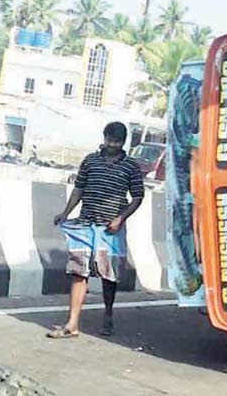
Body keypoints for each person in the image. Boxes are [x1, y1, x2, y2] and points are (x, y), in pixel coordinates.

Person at [47, 122, 145, 338]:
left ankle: (108, 314)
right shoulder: (90, 161)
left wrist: (121, 218)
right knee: (78, 272)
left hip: (111, 228)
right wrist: (65, 213)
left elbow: (137, 197)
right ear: (104, 138)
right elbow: (78, 189)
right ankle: (72, 323)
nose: (112, 145)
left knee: (108, 275)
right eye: (109, 140)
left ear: (123, 142)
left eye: (116, 142)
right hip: (84, 224)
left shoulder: (131, 166)